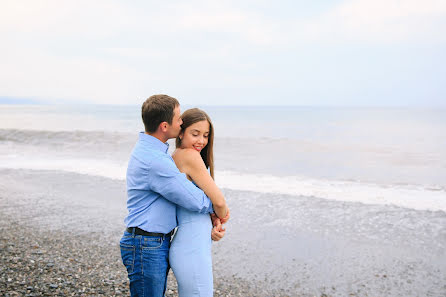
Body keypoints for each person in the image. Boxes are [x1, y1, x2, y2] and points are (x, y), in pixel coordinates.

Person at [119, 95, 227, 297]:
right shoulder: (156, 161)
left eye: (205, 135)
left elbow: (184, 200)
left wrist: (213, 218)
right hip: (146, 243)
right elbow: (196, 200)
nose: (181, 122)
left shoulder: (159, 155)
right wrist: (219, 212)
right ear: (164, 126)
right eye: (179, 119)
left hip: (153, 241)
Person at [169, 108, 230, 297]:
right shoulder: (189, 156)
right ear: (181, 132)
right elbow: (219, 201)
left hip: (190, 244)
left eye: (205, 135)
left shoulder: (176, 156)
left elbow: (194, 203)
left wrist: (212, 222)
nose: (201, 141)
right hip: (192, 247)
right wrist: (223, 216)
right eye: (195, 134)